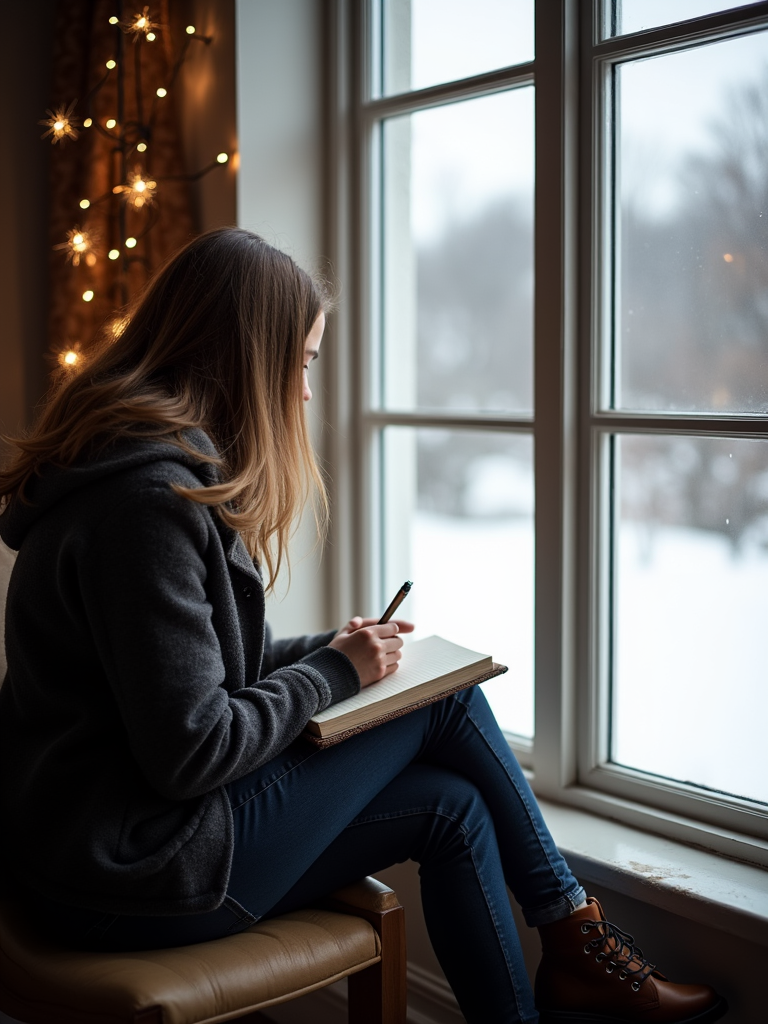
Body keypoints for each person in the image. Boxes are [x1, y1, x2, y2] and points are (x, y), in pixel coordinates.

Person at [0, 227, 726, 1024]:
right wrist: (336, 673)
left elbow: (185, 679)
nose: (306, 393)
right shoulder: (146, 506)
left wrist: (336, 652)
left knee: (452, 807)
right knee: (443, 699)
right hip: (128, 874)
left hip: (100, 853)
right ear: (247, 358)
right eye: (303, 363)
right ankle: (577, 938)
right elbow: (193, 748)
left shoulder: (128, 473)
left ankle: (567, 963)